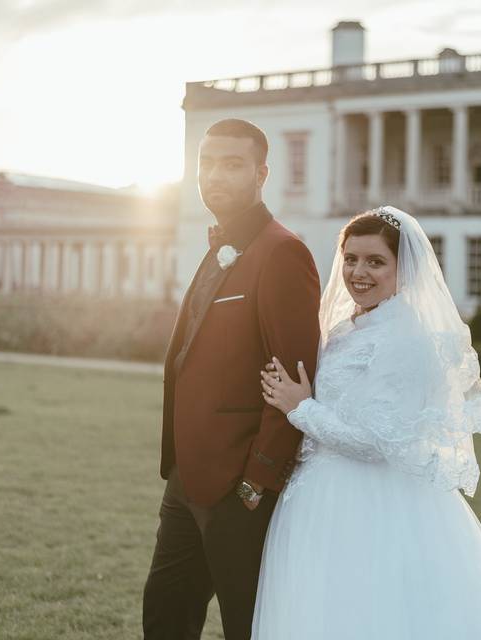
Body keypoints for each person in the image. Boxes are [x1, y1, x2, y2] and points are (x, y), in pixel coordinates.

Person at [254, 206, 481, 639]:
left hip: (373, 503)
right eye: (351, 258)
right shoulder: (345, 328)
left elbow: (377, 441)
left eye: (376, 262)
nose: (359, 272)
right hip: (318, 495)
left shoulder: (407, 338)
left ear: (402, 267)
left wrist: (301, 409)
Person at [141, 118, 321, 640]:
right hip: (185, 480)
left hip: (238, 489)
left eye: (232, 163)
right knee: (165, 615)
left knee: (248, 626)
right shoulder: (217, 245)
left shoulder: (282, 252)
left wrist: (255, 482)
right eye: (206, 162)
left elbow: (296, 378)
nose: (214, 175)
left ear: (261, 173)